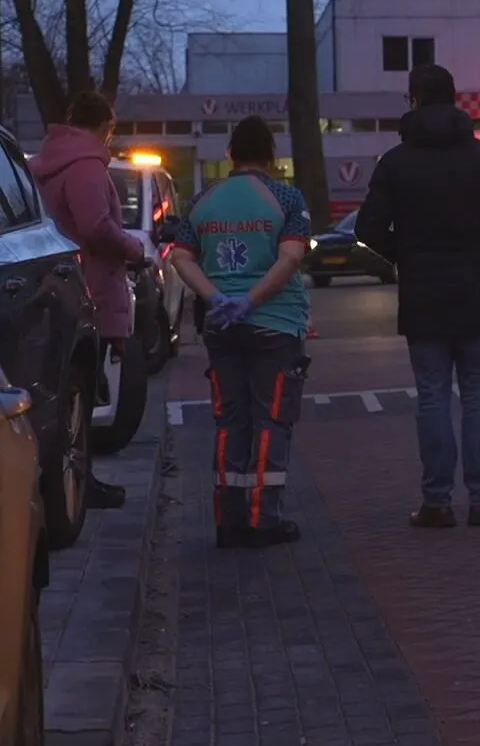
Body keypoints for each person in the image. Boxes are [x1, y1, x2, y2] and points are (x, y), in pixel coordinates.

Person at [356, 64, 480, 529]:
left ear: (413, 100)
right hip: (476, 290)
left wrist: (406, 255)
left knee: (431, 397)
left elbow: (367, 229)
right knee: (479, 397)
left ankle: (436, 502)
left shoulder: (396, 162)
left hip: (423, 294)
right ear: (456, 101)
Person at [170, 117, 312, 548]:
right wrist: (252, 299)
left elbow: (180, 257)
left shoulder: (203, 200)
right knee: (271, 421)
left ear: (230, 154)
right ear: (271, 154)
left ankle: (228, 519)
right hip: (276, 324)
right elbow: (289, 259)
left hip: (222, 330)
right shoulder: (286, 197)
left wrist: (217, 299)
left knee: (231, 420)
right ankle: (263, 518)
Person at [29, 90, 146, 511]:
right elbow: (96, 226)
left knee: (65, 391)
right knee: (82, 388)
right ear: (104, 127)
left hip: (59, 287)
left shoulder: (44, 165)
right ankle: (80, 480)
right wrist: (133, 248)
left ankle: (71, 477)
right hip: (89, 290)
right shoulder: (87, 168)